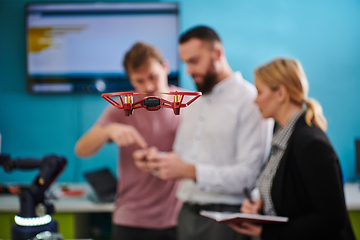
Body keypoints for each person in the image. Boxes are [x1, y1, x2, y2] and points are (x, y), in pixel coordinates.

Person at [133, 26, 273, 240]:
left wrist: (191, 171)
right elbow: (183, 159)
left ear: (217, 54)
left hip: (227, 220)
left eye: (194, 61)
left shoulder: (250, 101)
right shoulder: (193, 102)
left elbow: (249, 176)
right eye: (185, 62)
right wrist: (157, 162)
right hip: (187, 215)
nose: (188, 70)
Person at [230, 58, 356, 240]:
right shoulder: (280, 135)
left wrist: (269, 233)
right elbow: (291, 197)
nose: (255, 100)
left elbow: (331, 218)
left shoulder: (311, 144)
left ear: (280, 93)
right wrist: (260, 205)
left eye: (259, 92)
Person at [74, 42, 183, 240]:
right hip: (131, 221)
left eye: (153, 76)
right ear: (131, 81)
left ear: (165, 67)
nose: (148, 86)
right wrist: (109, 130)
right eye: (139, 81)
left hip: (177, 220)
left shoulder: (186, 104)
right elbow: (82, 149)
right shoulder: (123, 107)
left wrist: (165, 159)